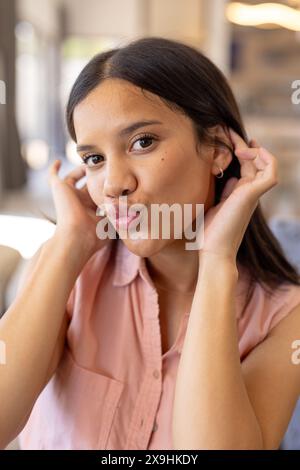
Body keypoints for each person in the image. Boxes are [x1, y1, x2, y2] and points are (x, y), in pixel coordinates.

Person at [2, 37, 300, 450]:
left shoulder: (285, 315)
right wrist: (68, 242)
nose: (113, 184)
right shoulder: (68, 272)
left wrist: (215, 261)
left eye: (142, 142)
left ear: (217, 148)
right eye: (94, 159)